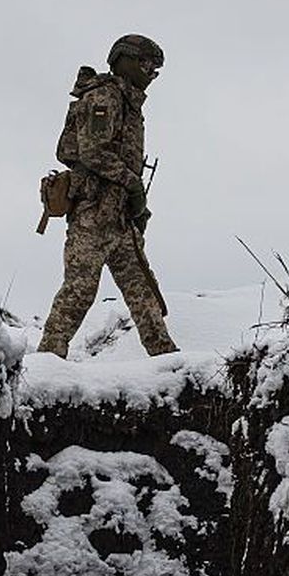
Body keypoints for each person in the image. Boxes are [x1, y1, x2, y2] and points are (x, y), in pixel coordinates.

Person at [37, 34, 179, 358]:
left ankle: (167, 361)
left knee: (143, 293)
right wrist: (133, 185)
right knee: (79, 292)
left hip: (120, 219)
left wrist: (136, 207)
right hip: (92, 215)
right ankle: (47, 363)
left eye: (155, 69)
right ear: (125, 61)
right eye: (146, 64)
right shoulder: (105, 95)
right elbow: (92, 152)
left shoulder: (129, 103)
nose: (151, 73)